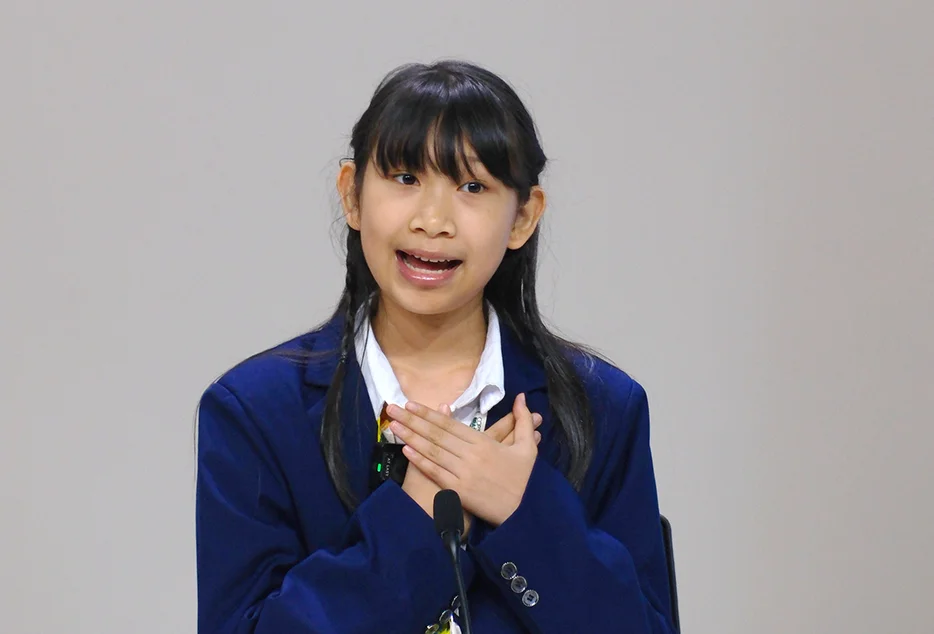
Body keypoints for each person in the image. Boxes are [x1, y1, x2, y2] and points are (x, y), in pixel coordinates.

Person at [196, 59, 676, 634]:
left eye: (473, 187)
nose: (433, 220)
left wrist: (524, 512)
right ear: (352, 195)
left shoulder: (604, 407)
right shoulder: (254, 412)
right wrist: (416, 520)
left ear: (523, 217)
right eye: (405, 178)